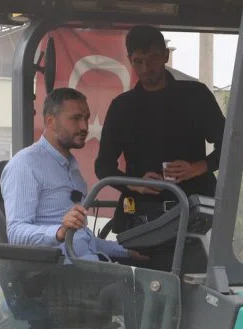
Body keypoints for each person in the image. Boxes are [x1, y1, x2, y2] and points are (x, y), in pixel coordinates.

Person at [96, 26, 226, 271]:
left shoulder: (196, 96)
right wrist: (134, 184)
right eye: (139, 61)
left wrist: (198, 167)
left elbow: (229, 145)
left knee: (194, 277)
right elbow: (103, 166)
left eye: (153, 58)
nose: (146, 68)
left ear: (166, 55)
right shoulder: (122, 107)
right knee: (142, 283)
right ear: (130, 60)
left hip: (194, 214)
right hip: (141, 218)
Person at [0, 87, 148, 264]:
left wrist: (128, 252)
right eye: (76, 119)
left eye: (86, 118)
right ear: (50, 121)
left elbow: (82, 239)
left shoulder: (71, 166)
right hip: (57, 274)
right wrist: (59, 232)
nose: (84, 126)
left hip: (87, 266)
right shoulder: (25, 164)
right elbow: (15, 234)